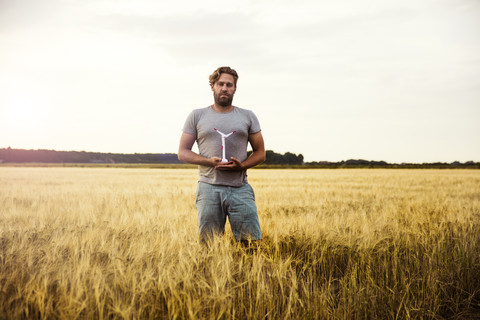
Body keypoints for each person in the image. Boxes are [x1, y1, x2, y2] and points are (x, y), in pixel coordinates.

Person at [178, 66, 266, 244]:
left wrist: (243, 166)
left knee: (251, 244)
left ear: (235, 88)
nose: (224, 88)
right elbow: (183, 152)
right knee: (209, 245)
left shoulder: (248, 116)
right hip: (208, 189)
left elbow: (260, 153)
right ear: (212, 86)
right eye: (220, 84)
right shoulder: (197, 116)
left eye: (229, 85)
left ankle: (248, 272)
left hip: (240, 188)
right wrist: (208, 162)